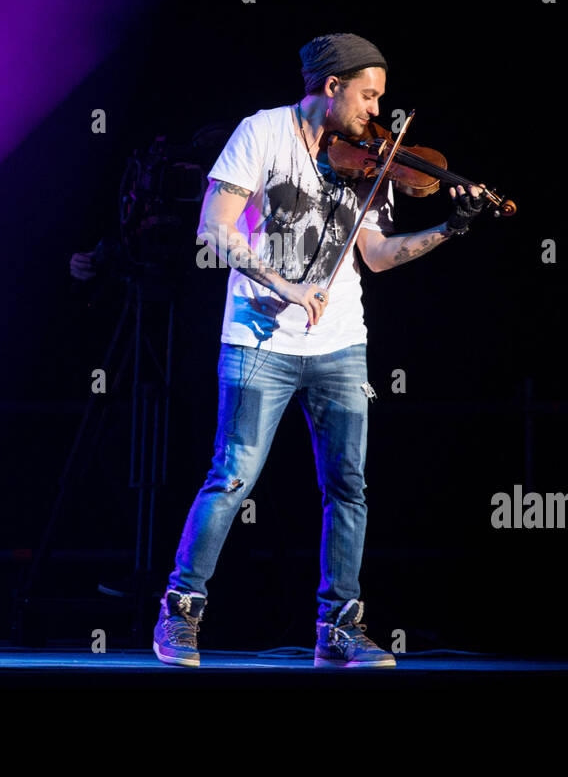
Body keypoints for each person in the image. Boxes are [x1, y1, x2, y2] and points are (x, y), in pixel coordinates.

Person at [153, 33, 486, 668]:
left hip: (341, 346)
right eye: (368, 95)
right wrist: (285, 284)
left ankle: (339, 627)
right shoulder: (262, 133)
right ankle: (181, 612)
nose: (376, 112)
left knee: (348, 485)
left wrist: (452, 224)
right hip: (258, 339)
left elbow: (380, 257)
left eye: (381, 98)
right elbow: (213, 226)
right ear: (330, 88)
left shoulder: (368, 158)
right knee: (232, 476)